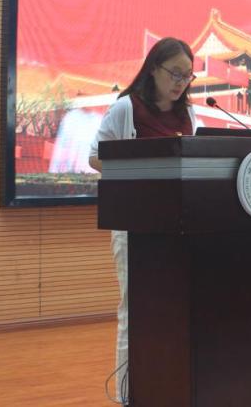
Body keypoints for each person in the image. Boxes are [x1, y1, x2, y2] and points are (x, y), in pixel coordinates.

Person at [88, 37, 200, 404]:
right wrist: (138, 173)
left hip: (180, 228)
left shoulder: (189, 115)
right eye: (175, 73)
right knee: (135, 311)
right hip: (135, 226)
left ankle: (170, 388)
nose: (181, 82)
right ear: (153, 69)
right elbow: (95, 156)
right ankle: (128, 395)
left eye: (187, 75)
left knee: (177, 311)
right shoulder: (127, 108)